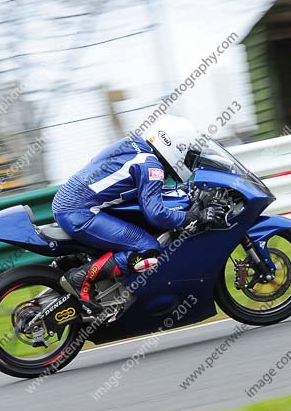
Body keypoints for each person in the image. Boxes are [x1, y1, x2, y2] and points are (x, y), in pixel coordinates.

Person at [52, 115, 223, 311]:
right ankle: (80, 278)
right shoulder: (151, 165)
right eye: (189, 155)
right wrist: (191, 217)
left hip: (70, 205)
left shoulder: (133, 144)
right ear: (177, 147)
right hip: (80, 213)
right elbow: (156, 214)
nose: (189, 161)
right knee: (148, 248)